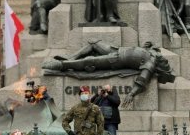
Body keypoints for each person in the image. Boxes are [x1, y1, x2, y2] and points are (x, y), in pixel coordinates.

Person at [43, 40, 175, 105]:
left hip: (116, 60)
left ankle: (62, 65)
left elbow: (142, 81)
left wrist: (131, 94)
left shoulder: (150, 64)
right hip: (115, 50)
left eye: (166, 64)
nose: (165, 60)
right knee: (94, 43)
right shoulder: (154, 53)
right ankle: (70, 58)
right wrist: (148, 44)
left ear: (161, 68)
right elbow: (150, 46)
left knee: (90, 62)